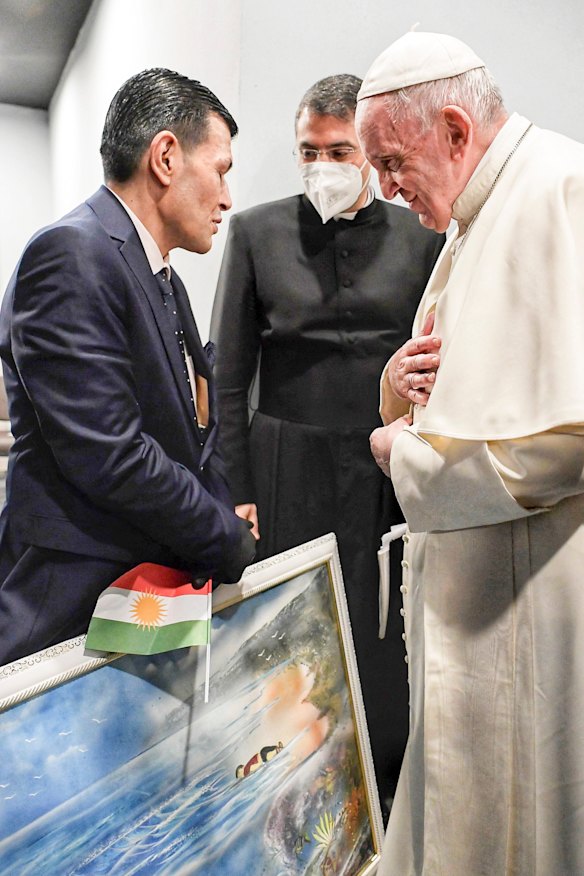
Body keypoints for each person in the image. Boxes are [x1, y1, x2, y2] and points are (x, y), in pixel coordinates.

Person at [356, 31, 584, 875]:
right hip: (477, 607)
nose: (382, 187)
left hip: (535, 609)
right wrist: (393, 392)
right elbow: (448, 392)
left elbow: (565, 441)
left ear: (453, 130)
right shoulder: (469, 220)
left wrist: (400, 459)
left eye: (389, 161)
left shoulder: (559, 188)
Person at [211, 74, 444, 816]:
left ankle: (387, 797)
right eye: (308, 152)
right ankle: (295, 798)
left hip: (385, 464)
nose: (322, 165)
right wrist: (236, 490)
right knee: (292, 635)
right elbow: (227, 377)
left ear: (370, 154)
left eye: (338, 149)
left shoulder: (422, 234)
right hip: (286, 461)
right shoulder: (254, 231)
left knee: (385, 636)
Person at [0, 68, 256, 668]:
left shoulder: (163, 277)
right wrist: (226, 540)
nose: (226, 198)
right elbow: (110, 456)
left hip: (142, 603)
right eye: (220, 171)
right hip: (72, 608)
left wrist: (221, 512)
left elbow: (192, 433)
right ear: (166, 157)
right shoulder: (70, 254)